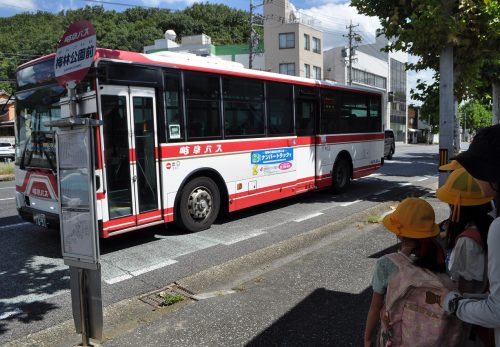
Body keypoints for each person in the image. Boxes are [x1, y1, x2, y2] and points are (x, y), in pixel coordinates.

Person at [441, 124, 500, 346]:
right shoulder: (490, 224)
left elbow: (497, 310)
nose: (474, 176)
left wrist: (452, 303)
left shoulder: (497, 229)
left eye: (477, 169)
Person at [364, 197, 446, 347]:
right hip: (432, 338)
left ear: (399, 234)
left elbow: (375, 307)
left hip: (396, 338)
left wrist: (367, 339)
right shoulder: (438, 257)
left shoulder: (387, 263)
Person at [436, 167, 494, 293]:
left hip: (469, 305)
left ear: (458, 207)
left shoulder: (467, 241)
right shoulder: (489, 223)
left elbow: (467, 285)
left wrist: (456, 307)